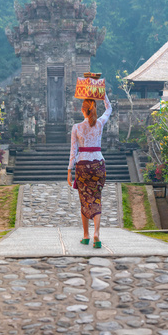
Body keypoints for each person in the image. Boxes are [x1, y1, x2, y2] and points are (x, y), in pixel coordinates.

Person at [67, 93, 112, 248]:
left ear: (82, 110)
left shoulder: (77, 127)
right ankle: (96, 234)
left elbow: (73, 151)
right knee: (96, 198)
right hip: (98, 164)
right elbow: (109, 108)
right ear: (94, 110)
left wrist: (69, 170)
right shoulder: (99, 123)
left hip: (82, 166)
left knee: (84, 199)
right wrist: (102, 94)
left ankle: (86, 235)